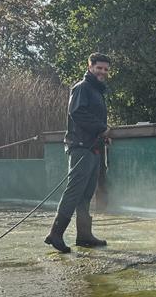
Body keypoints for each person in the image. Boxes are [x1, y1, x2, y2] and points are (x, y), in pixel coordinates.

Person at [45, 52, 112, 253]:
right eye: (99, 68)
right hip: (81, 147)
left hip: (93, 148)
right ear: (90, 67)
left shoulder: (97, 90)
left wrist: (102, 134)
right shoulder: (82, 87)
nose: (102, 72)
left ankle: (84, 235)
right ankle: (55, 233)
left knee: (86, 193)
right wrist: (102, 127)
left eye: (106, 69)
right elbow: (77, 112)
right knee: (74, 190)